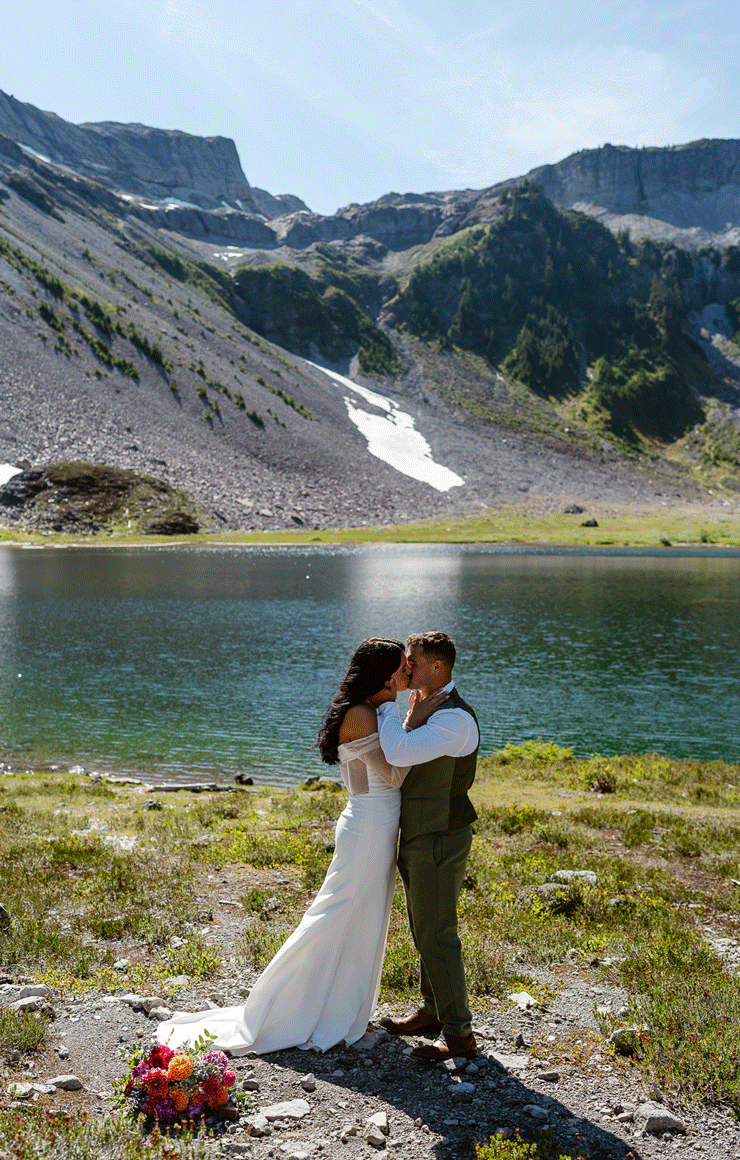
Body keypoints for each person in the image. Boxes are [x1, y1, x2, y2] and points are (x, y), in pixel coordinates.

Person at [155, 637, 442, 1056]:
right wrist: (413, 721)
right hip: (367, 829)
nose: (407, 673)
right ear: (382, 676)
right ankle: (279, 1009)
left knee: (363, 920)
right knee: (332, 915)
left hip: (378, 827)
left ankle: (338, 1008)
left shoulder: (373, 710)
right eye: (401, 667)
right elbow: (395, 777)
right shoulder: (363, 715)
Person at [376, 630, 480, 1062]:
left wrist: (385, 703)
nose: (406, 668)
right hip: (421, 833)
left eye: (412, 662)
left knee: (438, 933)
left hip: (440, 836)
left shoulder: (454, 719)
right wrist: (411, 717)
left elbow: (397, 753)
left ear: (438, 667)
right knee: (424, 928)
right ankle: (433, 1012)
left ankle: (460, 1034)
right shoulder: (430, 709)